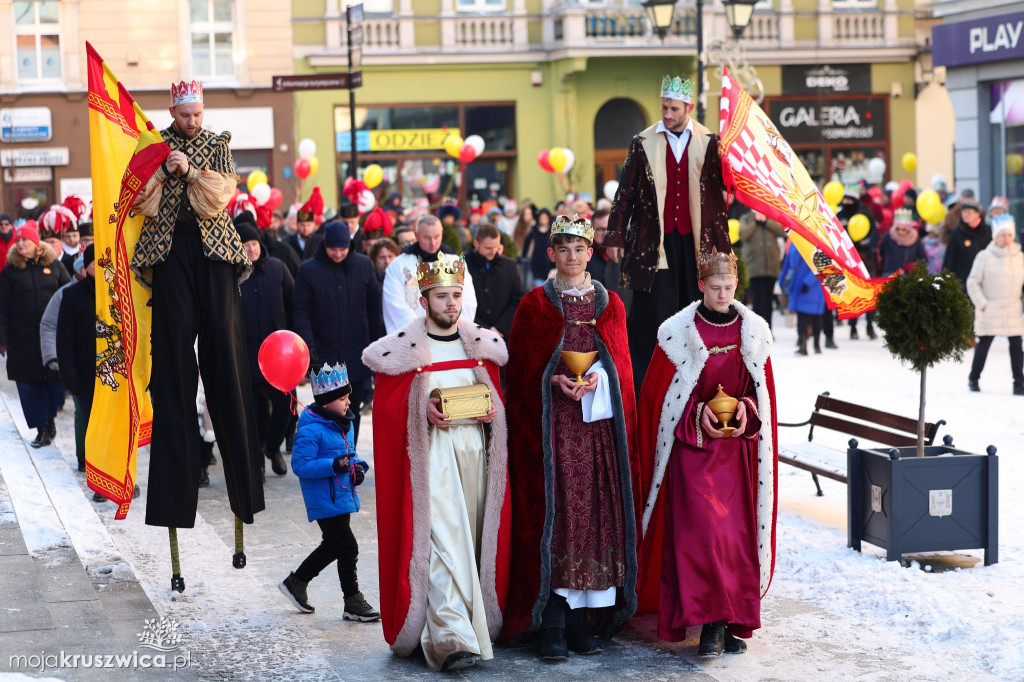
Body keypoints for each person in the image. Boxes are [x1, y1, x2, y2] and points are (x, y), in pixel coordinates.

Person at [502, 214, 644, 661]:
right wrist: (552, 382)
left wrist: (601, 378)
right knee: (559, 519)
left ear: (590, 252)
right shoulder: (534, 306)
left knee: (595, 521)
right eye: (563, 249)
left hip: (598, 432)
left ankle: (585, 623)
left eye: (579, 248)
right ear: (551, 254)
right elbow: (520, 370)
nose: (572, 256)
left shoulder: (611, 305)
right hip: (553, 433)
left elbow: (622, 367)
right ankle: (553, 623)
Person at [362, 255, 511, 672]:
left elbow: (498, 404)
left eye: (456, 296)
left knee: (471, 544)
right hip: (432, 464)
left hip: (476, 461)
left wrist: (491, 414)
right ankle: (449, 637)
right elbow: (389, 413)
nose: (451, 304)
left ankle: (472, 623)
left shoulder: (480, 345)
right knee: (442, 545)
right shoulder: (403, 352)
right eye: (442, 296)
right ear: (424, 300)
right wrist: (420, 409)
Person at [129, 78, 263, 529]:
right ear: (172, 110)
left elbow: (219, 199)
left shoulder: (217, 144)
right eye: (186, 115)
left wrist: (188, 172)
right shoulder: (154, 146)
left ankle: (244, 486)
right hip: (170, 255)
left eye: (198, 114)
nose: (192, 121)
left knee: (226, 360)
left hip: (216, 255)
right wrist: (165, 170)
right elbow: (138, 202)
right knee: (172, 372)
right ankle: (173, 499)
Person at [636, 240, 778, 658]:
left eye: (729, 286)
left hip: (735, 457)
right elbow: (659, 401)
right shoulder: (677, 335)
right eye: (715, 286)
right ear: (701, 285)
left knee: (733, 542)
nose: (722, 294)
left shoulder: (754, 335)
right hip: (692, 456)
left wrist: (746, 413)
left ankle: (725, 621)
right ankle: (709, 624)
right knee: (702, 538)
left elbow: (763, 396)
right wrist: (697, 414)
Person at [605, 75, 729, 396]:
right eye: (664, 107)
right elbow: (625, 193)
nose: (667, 114)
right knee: (655, 313)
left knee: (696, 307)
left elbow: (721, 194)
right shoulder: (642, 141)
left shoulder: (709, 141)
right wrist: (616, 235)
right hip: (652, 242)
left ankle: (697, 377)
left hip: (695, 241)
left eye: (674, 108)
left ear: (688, 107)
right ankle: (648, 383)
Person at [278, 362, 380, 621]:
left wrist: (358, 468)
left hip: (342, 495)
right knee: (348, 547)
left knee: (334, 546)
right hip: (324, 499)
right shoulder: (311, 429)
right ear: (326, 402)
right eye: (343, 398)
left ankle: (296, 582)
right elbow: (301, 465)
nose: (348, 403)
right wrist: (333, 465)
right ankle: (353, 601)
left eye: (348, 397)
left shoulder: (345, 423)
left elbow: (352, 455)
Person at [293, 221, 381, 446]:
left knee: (353, 407)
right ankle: (333, 453)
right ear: (325, 245)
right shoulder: (308, 270)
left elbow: (373, 307)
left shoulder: (363, 265)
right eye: (334, 249)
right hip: (324, 353)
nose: (338, 253)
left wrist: (376, 344)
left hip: (357, 350)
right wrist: (309, 348)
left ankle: (350, 451)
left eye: (342, 249)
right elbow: (301, 311)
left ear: (350, 245)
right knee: (328, 409)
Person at [0, 222, 70, 446]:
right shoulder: (10, 271)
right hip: (21, 338)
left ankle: (50, 420)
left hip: (52, 337)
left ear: (35, 243)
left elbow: (69, 296)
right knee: (28, 385)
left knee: (54, 381)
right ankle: (41, 429)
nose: (20, 243)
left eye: (25, 240)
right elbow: (2, 306)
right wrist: (1, 337)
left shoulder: (55, 266)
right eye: (18, 240)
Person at [237, 220, 295, 478]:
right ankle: (257, 460)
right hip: (247, 353)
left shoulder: (278, 269)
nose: (251, 249)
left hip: (279, 356)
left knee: (286, 407)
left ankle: (272, 447)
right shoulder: (233, 274)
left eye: (254, 243)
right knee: (254, 411)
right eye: (245, 244)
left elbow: (294, 307)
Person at [382, 215, 477, 334]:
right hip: (413, 338)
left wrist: (450, 331)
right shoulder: (399, 265)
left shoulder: (455, 262)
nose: (433, 243)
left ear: (442, 233)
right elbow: (394, 304)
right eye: (427, 238)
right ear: (416, 236)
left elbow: (467, 301)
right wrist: (422, 333)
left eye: (436, 237)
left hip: (450, 336)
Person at [966, 215, 1024, 395]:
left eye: (1009, 234)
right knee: (983, 345)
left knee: (1016, 348)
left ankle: (1019, 384)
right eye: (1002, 235)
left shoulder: (1019, 256)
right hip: (990, 308)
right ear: (995, 236)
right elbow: (973, 281)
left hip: (1012, 309)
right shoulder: (984, 256)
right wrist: (982, 304)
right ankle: (974, 378)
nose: (1006, 239)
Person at [56, 245, 97, 469]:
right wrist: (68, 373)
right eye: (95, 264)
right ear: (86, 267)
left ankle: (116, 475)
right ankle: (95, 472)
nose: (101, 269)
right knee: (91, 424)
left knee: (112, 427)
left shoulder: (118, 293)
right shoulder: (72, 295)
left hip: (113, 373)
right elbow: (64, 339)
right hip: (85, 373)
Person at [464, 222, 523, 339]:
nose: (493, 251)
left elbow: (517, 300)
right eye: (488, 248)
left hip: (503, 335)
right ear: (476, 244)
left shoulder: (510, 266)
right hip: (472, 333)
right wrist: (483, 329)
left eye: (496, 246)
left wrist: (500, 328)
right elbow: (461, 302)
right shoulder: (463, 265)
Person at [739, 209, 785, 331]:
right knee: (758, 301)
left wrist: (766, 221)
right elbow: (743, 234)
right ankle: (757, 330)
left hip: (771, 267)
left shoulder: (771, 216)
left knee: (768, 301)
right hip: (754, 267)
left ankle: (768, 329)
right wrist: (755, 221)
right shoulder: (747, 218)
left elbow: (782, 231)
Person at [778, 241, 825, 355]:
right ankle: (802, 342)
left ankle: (816, 344)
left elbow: (819, 266)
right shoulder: (794, 242)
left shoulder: (816, 243)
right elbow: (788, 262)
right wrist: (781, 279)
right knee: (801, 316)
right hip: (797, 284)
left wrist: (808, 282)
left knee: (815, 316)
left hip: (813, 286)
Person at [943, 198, 991, 292]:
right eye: (964, 212)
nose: (966, 215)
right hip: (962, 280)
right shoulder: (956, 233)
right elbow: (949, 258)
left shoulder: (987, 231)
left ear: (978, 214)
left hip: (984, 279)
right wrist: (946, 280)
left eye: (969, 212)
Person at [878, 208, 927, 277]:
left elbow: (923, 260)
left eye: (904, 229)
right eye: (897, 229)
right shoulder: (887, 237)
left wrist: (914, 266)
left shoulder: (916, 239)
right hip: (888, 275)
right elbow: (878, 254)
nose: (900, 232)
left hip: (908, 277)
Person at [284, 188, 325, 262]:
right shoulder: (288, 241)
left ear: (313, 225)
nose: (305, 228)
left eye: (309, 225)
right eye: (302, 225)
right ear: (297, 225)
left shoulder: (321, 241)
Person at [522, 207, 553, 288]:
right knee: (540, 289)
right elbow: (527, 242)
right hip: (537, 264)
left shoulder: (553, 231)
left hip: (551, 265)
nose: (543, 220)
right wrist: (524, 256)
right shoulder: (534, 230)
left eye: (545, 218)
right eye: (541, 218)